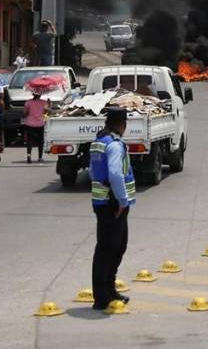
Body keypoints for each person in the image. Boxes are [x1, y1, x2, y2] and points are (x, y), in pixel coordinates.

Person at [90, 108, 136, 311]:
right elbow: (116, 174)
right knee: (108, 249)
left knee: (117, 246)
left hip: (104, 202)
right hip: (113, 204)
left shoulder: (99, 141)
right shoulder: (115, 145)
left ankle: (109, 290)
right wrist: (122, 201)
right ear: (122, 124)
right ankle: (102, 296)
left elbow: (93, 171)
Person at [23, 92, 48, 164]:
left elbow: (24, 113)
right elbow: (46, 112)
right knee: (40, 141)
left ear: (33, 94)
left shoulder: (28, 102)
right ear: (40, 95)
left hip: (30, 123)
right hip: (40, 123)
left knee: (29, 141)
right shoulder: (44, 102)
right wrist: (49, 104)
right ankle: (40, 157)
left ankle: (29, 156)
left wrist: (28, 113)